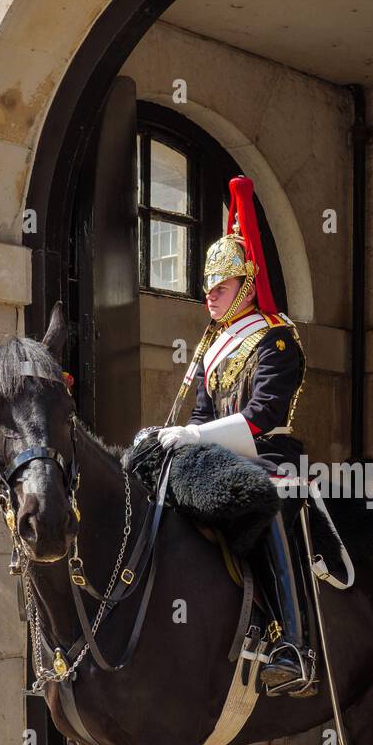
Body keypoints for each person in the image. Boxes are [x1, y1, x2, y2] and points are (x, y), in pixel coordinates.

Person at [135, 176, 316, 697]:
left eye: (220, 286)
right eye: (207, 288)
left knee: (266, 497)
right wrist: (171, 435)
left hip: (270, 456)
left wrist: (194, 436)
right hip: (218, 458)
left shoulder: (276, 341)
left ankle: (292, 642)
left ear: (245, 283)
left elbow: (260, 416)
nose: (209, 297)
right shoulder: (214, 350)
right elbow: (200, 414)